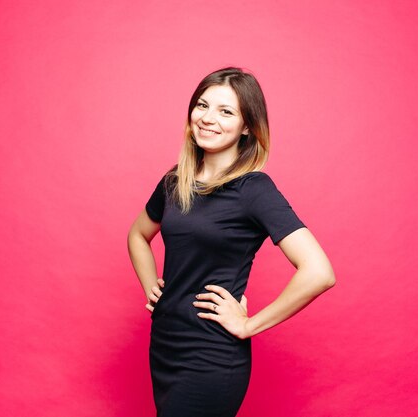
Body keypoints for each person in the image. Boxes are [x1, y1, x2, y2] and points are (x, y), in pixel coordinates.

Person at [127, 67, 335, 417]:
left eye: (226, 111)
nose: (208, 118)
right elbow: (138, 235)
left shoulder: (254, 189)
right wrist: (153, 288)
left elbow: (319, 272)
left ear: (247, 126)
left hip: (210, 355)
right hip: (165, 345)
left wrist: (249, 325)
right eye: (202, 105)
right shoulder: (175, 182)